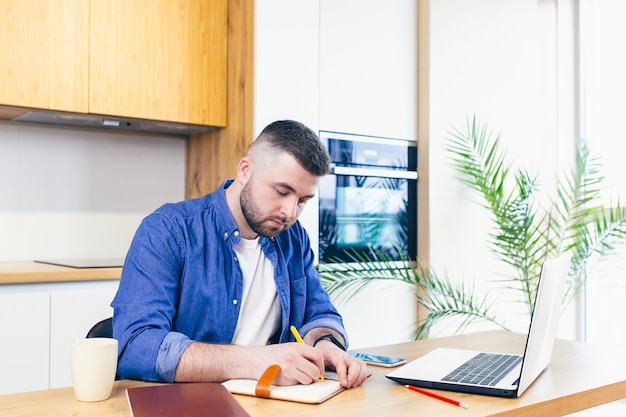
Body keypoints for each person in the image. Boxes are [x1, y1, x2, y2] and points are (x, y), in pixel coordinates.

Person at [111, 120, 368, 389]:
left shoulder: (293, 237)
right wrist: (257, 362)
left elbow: (319, 313)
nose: (290, 212)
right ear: (245, 170)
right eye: (282, 191)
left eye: (303, 200)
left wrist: (327, 344)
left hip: (273, 403)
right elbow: (135, 346)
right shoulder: (168, 230)